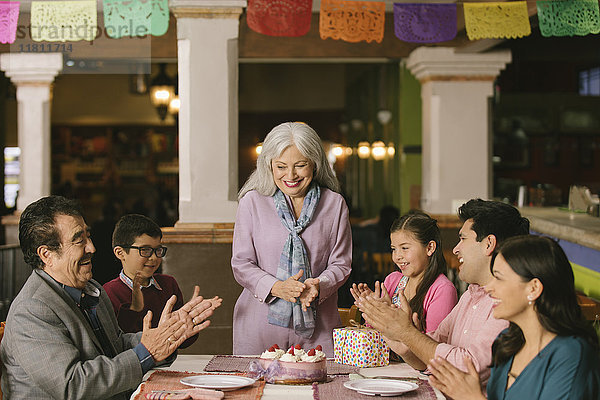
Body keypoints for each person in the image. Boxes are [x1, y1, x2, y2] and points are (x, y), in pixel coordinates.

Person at [0, 196, 220, 399]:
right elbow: (73, 385)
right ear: (46, 254)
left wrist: (166, 335)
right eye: (79, 240)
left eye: (88, 236)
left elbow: (115, 345)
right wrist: (147, 352)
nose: (92, 248)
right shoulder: (31, 311)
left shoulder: (91, 288)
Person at [357, 199, 529, 386]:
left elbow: (467, 368)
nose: (455, 249)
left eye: (463, 239)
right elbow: (430, 351)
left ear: (488, 244)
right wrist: (404, 343)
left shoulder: (507, 304)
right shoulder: (470, 296)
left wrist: (407, 333)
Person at [428, 235, 600, 400]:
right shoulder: (507, 342)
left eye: (499, 278)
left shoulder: (571, 354)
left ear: (533, 289)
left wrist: (472, 397)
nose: (489, 288)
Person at [231, 122, 352, 356]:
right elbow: (241, 263)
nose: (291, 175)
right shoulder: (251, 202)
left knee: (321, 389)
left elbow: (341, 264)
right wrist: (277, 287)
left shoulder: (334, 204)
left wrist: (319, 285)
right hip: (259, 323)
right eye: (281, 166)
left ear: (315, 164)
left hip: (319, 325)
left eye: (300, 165)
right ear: (269, 166)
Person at [103, 214, 220, 348]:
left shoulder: (168, 285)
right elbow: (115, 346)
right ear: (120, 253)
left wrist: (189, 322)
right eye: (145, 250)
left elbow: (182, 342)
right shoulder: (108, 294)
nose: (154, 257)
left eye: (158, 250)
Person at [351, 211, 457, 333]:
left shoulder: (443, 289)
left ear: (429, 248)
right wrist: (374, 309)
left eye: (405, 248)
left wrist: (390, 316)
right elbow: (375, 339)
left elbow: (433, 347)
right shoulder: (393, 280)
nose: (397, 256)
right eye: (393, 249)